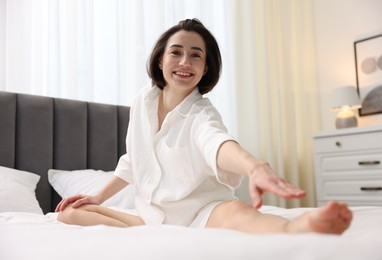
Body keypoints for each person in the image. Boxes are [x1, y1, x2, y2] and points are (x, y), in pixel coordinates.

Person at [56, 18, 352, 234]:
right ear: (161, 60)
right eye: (176, 52)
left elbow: (217, 142)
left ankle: (298, 228)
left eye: (196, 55)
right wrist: (96, 198)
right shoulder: (143, 101)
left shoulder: (202, 114)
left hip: (202, 212)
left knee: (237, 212)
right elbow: (133, 162)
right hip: (149, 218)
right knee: (69, 214)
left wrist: (253, 166)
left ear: (205, 67)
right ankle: (144, 235)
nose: (185, 61)